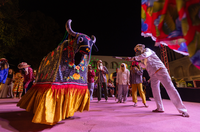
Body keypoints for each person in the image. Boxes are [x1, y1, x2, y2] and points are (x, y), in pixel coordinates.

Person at [126, 44, 189, 117]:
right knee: (155, 90)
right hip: (153, 75)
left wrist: (134, 58)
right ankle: (160, 107)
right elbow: (145, 66)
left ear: (140, 48)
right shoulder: (142, 59)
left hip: (160, 70)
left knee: (170, 88)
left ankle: (183, 110)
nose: (137, 52)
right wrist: (138, 63)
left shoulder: (147, 50)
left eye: (137, 50)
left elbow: (145, 55)